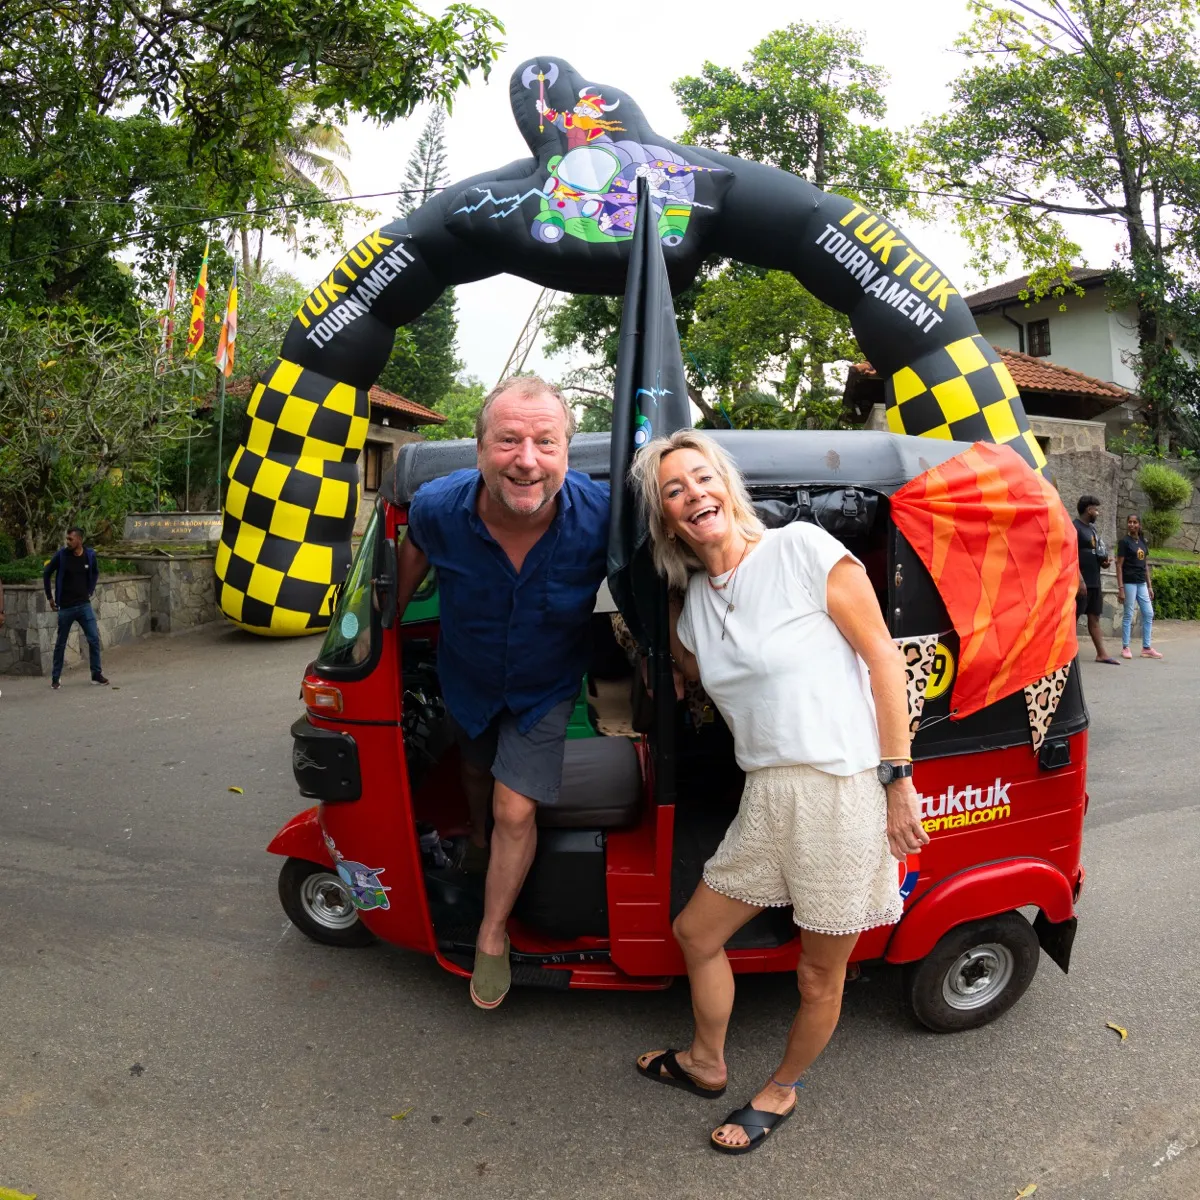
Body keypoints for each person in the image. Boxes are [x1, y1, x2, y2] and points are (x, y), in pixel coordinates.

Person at [629, 430, 927, 1156]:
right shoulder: (694, 608)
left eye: (703, 478)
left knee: (818, 974)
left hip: (841, 790)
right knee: (697, 934)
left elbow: (884, 660)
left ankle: (782, 1089)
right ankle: (706, 1062)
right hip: (766, 796)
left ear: (727, 486)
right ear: (666, 518)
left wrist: (898, 779)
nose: (694, 494)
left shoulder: (802, 550)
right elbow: (694, 676)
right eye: (674, 490)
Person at [394, 376, 609, 1010]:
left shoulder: (601, 517)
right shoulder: (438, 507)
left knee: (516, 808)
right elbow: (409, 562)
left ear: (566, 450)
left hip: (546, 686)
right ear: (481, 448)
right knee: (474, 769)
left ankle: (492, 932)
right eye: (509, 440)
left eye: (546, 442)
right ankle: (479, 841)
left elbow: (655, 580)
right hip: (469, 675)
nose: (527, 460)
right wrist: (377, 635)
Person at [43, 527, 109, 689]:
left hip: (84, 605)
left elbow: (95, 573)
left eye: (70, 539)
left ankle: (96, 674)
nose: (68, 542)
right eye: (67, 539)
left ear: (79, 540)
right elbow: (47, 573)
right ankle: (56, 677)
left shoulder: (89, 555)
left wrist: (90, 589)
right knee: (61, 643)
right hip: (66, 607)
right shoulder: (62, 555)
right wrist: (50, 597)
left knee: (93, 639)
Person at [1074, 495, 1118, 665]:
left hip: (1094, 582)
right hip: (1081, 583)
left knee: (1094, 618)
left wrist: (1104, 563)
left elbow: (1095, 553)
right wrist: (1079, 580)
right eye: (1096, 509)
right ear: (1089, 509)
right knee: (1072, 619)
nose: (1097, 513)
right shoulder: (1075, 528)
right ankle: (1063, 654)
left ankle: (1102, 654)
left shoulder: (1092, 530)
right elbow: (1070, 555)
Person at [1116, 513, 1162, 660]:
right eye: (1129, 522)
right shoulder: (1124, 542)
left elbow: (1145, 565)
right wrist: (1121, 588)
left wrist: (1150, 586)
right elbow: (1119, 565)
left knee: (1148, 613)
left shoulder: (1142, 542)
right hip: (1129, 582)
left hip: (1141, 583)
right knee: (1128, 615)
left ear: (1139, 525)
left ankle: (1146, 648)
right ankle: (1125, 647)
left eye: (1135, 522)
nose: (1132, 524)